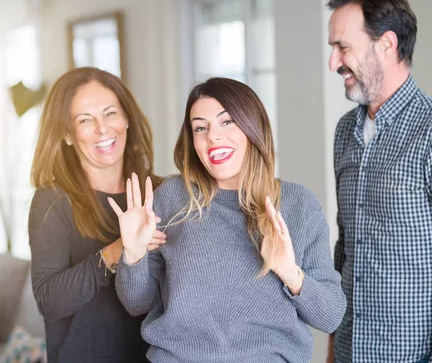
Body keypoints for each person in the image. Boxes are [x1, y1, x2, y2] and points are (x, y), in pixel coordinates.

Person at [109, 77, 346, 363]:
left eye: (227, 122)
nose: (213, 136)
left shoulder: (298, 205)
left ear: (252, 127)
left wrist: (289, 272)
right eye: (200, 127)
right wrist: (133, 255)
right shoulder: (171, 198)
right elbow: (138, 304)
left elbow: (331, 316)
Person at [325, 0, 432, 363]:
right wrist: (336, 347)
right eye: (332, 49)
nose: (334, 63)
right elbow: (346, 249)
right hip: (353, 352)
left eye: (343, 47)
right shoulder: (344, 133)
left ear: (386, 44)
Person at [28, 67, 166, 362]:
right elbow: (48, 301)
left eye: (110, 113)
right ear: (66, 133)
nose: (103, 129)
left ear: (127, 118)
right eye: (85, 120)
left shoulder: (162, 192)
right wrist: (117, 251)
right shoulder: (52, 202)